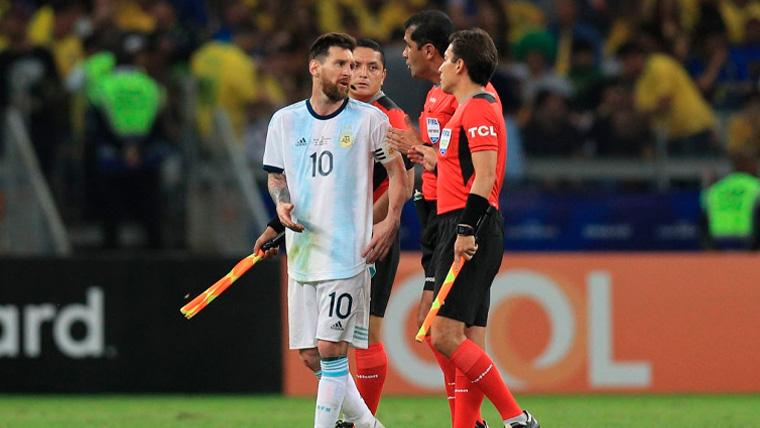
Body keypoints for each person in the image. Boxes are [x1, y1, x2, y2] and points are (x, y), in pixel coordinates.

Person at [258, 32, 406, 428]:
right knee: (310, 354)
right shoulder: (285, 121)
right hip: (303, 252)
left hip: (348, 254)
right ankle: (370, 426)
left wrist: (389, 224)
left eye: (354, 65)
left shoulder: (370, 120)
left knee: (331, 348)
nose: (350, 73)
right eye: (342, 64)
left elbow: (399, 175)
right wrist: (280, 205)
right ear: (315, 67)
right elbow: (277, 178)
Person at [386, 10, 500, 427]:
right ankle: (468, 422)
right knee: (444, 331)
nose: (404, 55)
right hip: (438, 219)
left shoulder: (470, 99)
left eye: (408, 46)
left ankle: (507, 417)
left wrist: (421, 152)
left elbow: (469, 170)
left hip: (460, 220)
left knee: (447, 332)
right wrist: (419, 156)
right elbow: (443, 162)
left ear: (432, 52)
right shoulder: (437, 96)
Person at [430, 28, 539, 428]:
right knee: (468, 339)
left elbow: (485, 174)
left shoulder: (477, 107)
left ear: (460, 65)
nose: (439, 66)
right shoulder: (471, 105)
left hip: (469, 225)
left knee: (442, 335)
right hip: (465, 223)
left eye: (445, 58)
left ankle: (517, 417)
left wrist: (464, 230)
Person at [344, 38, 415, 421]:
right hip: (338, 237)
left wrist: (364, 223)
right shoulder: (334, 114)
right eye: (355, 66)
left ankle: (364, 419)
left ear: (384, 75)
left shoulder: (392, 118)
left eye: (372, 67)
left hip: (374, 235)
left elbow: (403, 182)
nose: (362, 74)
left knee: (367, 333)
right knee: (331, 338)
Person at [700, 150, 760, 251]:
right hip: (748, 242)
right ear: (749, 166)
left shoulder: (714, 189)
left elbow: (704, 219)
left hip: (717, 242)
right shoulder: (756, 186)